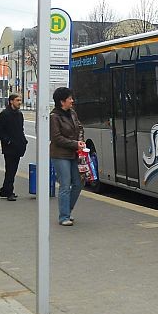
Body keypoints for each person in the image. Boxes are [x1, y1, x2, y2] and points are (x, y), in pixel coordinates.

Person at [50, 86, 86, 226]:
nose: (72, 100)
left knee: (78, 183)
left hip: (73, 153)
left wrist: (80, 141)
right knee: (65, 184)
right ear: (62, 101)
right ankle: (64, 216)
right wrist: (75, 143)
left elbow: (80, 127)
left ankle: (67, 210)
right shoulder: (54, 117)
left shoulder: (72, 113)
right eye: (69, 98)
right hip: (60, 154)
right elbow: (57, 138)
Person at [0, 93, 27, 201]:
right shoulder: (5, 114)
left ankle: (4, 190)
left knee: (12, 170)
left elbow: (20, 130)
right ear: (11, 101)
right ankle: (9, 192)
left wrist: (23, 141)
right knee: (10, 169)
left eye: (20, 100)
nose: (19, 102)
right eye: (17, 100)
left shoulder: (19, 114)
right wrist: (7, 140)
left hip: (17, 145)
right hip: (9, 147)